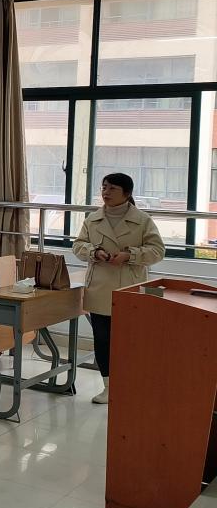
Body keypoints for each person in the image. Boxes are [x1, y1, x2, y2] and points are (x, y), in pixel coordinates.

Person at [73, 173, 164, 405]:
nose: (106, 192)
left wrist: (130, 255)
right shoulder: (93, 219)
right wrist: (94, 252)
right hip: (100, 287)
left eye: (112, 188)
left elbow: (157, 251)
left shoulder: (142, 220)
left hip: (129, 287)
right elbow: (78, 245)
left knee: (129, 340)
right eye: (104, 187)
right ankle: (109, 387)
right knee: (102, 338)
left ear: (127, 193)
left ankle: (130, 384)